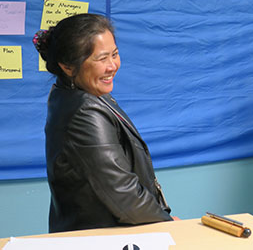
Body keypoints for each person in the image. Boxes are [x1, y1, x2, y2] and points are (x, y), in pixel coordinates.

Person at [33, 13, 174, 233]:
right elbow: (123, 194)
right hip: (103, 238)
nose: (112, 66)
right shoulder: (84, 112)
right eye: (101, 59)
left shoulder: (78, 92)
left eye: (115, 54)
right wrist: (171, 225)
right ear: (68, 66)